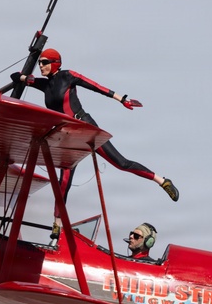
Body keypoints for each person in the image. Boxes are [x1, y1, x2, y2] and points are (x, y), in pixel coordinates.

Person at [11, 49, 178, 239]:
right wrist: (22, 76)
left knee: (121, 163)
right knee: (64, 180)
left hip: (85, 127)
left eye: (45, 62)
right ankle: (56, 223)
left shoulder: (68, 76)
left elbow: (94, 86)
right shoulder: (43, 85)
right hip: (67, 135)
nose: (41, 65)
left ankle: (162, 181)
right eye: (40, 62)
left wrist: (121, 99)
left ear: (56, 63)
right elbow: (20, 78)